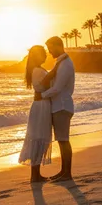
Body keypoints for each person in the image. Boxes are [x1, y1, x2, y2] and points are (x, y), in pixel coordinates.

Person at [42, 35, 76, 182]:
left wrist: (42, 95)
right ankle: (63, 172)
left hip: (62, 106)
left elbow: (57, 88)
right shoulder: (61, 62)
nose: (49, 51)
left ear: (57, 46)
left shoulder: (66, 64)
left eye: (50, 48)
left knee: (63, 140)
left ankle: (67, 174)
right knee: (62, 141)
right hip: (59, 106)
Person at [18, 45, 53, 183]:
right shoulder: (38, 70)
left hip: (41, 104)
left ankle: (36, 174)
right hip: (42, 106)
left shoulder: (36, 69)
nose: (45, 55)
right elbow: (49, 86)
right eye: (43, 53)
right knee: (39, 137)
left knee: (39, 137)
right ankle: (35, 175)